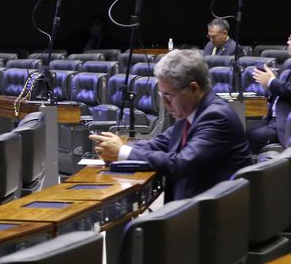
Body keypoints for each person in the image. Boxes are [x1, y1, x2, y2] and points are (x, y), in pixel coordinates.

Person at [89, 49, 252, 201]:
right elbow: (160, 143)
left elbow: (182, 163)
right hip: (195, 208)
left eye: (168, 95)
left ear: (193, 89)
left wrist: (124, 152)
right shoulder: (191, 110)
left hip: (214, 216)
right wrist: (120, 146)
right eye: (161, 94)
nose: (163, 102)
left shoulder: (216, 117)